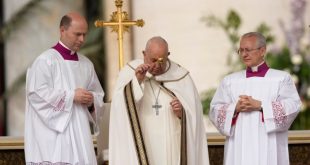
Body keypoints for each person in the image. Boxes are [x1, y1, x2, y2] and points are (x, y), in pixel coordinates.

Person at [109, 36, 209, 165]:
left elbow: (195, 116)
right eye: (153, 60)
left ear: (168, 55)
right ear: (144, 54)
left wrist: (182, 113)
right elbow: (118, 107)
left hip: (172, 143)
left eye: (161, 60)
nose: (157, 65)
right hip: (142, 139)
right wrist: (137, 81)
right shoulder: (129, 72)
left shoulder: (181, 76)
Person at [209, 32, 301, 165]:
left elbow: (292, 106)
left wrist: (261, 105)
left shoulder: (280, 78)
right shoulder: (230, 81)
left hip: (269, 144)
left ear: (262, 51)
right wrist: (235, 108)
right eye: (241, 50)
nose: (244, 54)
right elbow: (214, 110)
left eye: (248, 50)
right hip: (239, 144)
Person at [24, 12, 104, 165]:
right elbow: (36, 95)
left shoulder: (86, 64)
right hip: (54, 138)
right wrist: (71, 96)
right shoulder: (45, 61)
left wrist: (91, 101)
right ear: (62, 31)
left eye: (84, 35)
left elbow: (98, 95)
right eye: (77, 34)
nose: (82, 39)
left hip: (81, 137)